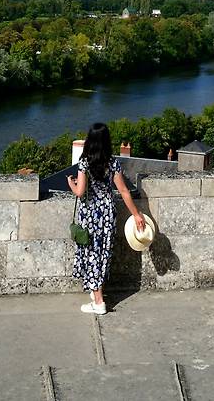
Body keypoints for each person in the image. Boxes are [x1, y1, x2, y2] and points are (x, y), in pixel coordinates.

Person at [68, 122, 145, 315]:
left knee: (91, 253)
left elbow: (80, 192)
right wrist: (136, 214)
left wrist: (71, 183)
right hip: (107, 213)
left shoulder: (84, 162)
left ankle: (99, 302)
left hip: (90, 214)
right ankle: (97, 294)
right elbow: (124, 191)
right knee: (102, 254)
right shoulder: (113, 162)